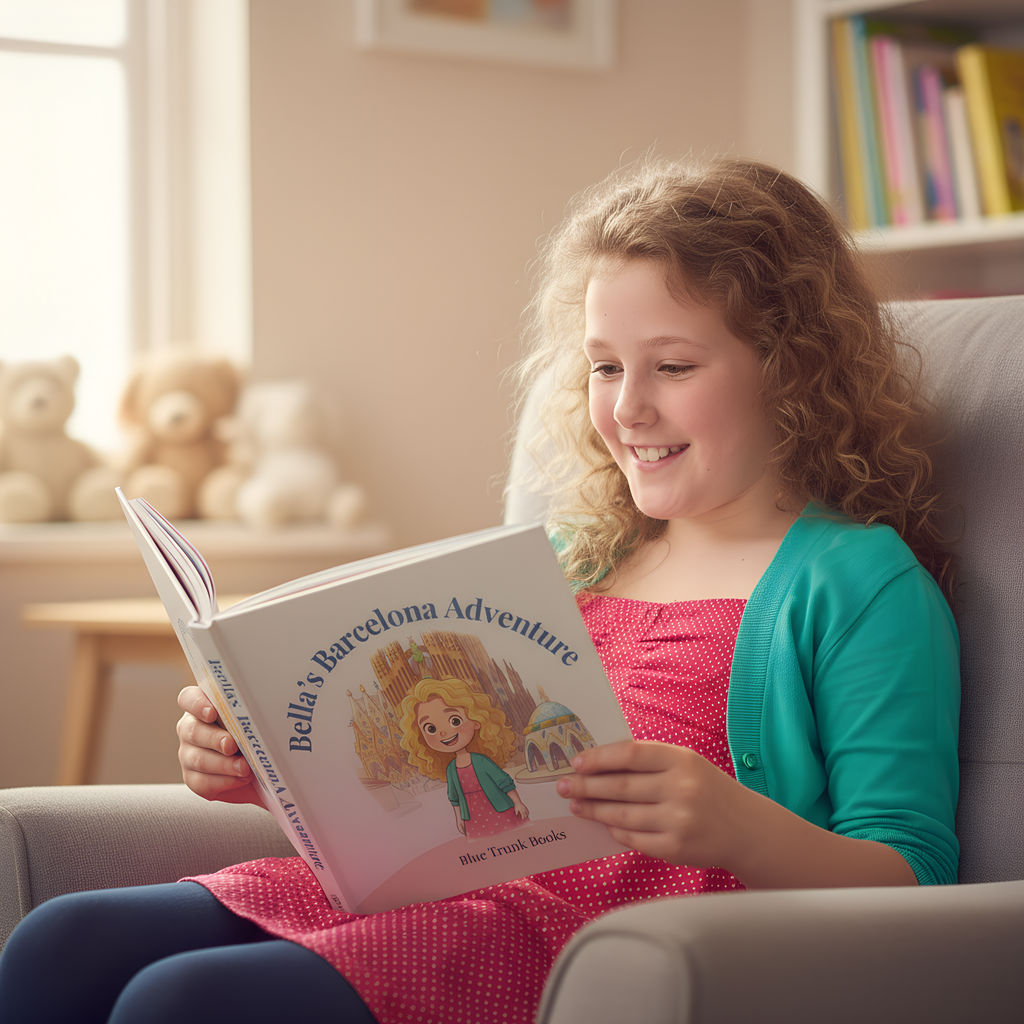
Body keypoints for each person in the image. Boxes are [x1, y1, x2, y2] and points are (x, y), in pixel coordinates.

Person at [0, 157, 960, 1024]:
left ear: (792, 367)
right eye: (603, 367)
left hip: (600, 940)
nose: (628, 409)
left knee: (185, 1003)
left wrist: (738, 828)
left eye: (673, 366)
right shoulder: (580, 559)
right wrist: (278, 773)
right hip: (449, 894)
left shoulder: (858, 581)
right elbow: (452, 780)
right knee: (61, 942)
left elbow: (913, 876)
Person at [398, 675, 531, 837]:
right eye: (430, 729)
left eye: (454, 720)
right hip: (473, 817)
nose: (442, 732)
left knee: (517, 837)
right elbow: (453, 797)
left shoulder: (481, 761)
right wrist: (459, 819)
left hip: (500, 809)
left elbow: (504, 782)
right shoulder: (451, 770)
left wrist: (518, 802)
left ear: (476, 721)